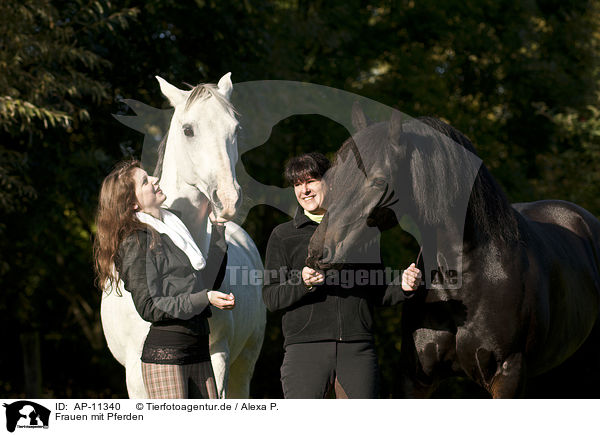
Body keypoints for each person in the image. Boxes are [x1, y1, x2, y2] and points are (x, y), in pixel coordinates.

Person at [262, 152, 422, 399]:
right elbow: (271, 297)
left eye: (311, 181)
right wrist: (302, 283)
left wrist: (403, 286)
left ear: (331, 181)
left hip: (357, 350)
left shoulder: (364, 231)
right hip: (304, 351)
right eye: (297, 184)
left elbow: (377, 292)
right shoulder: (283, 235)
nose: (304, 190)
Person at [94, 160, 235, 399]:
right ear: (133, 202)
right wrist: (205, 298)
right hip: (167, 356)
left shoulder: (173, 227)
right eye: (145, 181)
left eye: (150, 176)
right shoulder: (135, 241)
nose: (155, 180)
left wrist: (219, 227)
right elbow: (150, 306)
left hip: (199, 349)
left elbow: (206, 283)